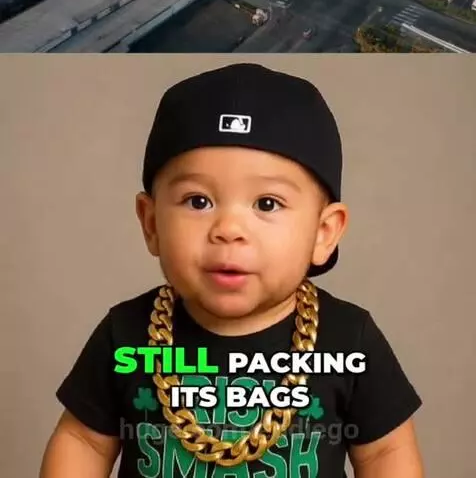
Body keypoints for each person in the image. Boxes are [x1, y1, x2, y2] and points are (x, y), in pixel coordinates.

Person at [40, 63, 424, 478]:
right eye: (198, 201)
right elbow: (82, 442)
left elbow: (386, 453)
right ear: (151, 223)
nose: (228, 231)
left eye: (267, 204)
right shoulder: (126, 334)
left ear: (323, 232)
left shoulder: (350, 340)